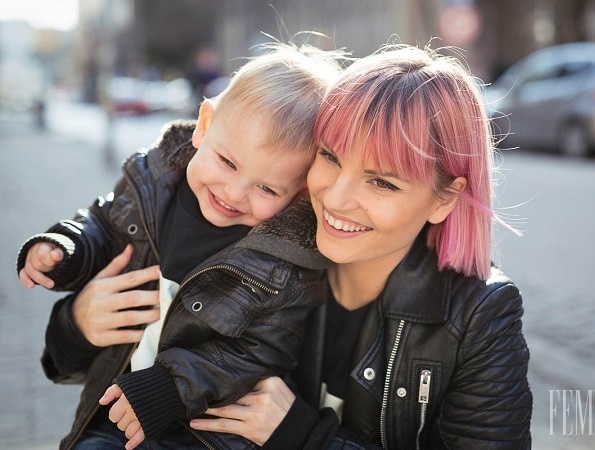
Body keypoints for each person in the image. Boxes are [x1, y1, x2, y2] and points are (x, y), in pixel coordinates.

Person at [189, 43, 533, 448]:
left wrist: (305, 438)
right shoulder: (256, 245)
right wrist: (90, 327)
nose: (335, 199)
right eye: (330, 157)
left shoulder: (479, 319)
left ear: (445, 198)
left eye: (382, 182)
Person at [16, 42, 343, 450]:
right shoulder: (152, 186)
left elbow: (262, 351)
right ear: (204, 126)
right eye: (227, 162)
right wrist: (67, 248)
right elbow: (102, 223)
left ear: (298, 194)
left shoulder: (285, 263)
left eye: (266, 188)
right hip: (110, 417)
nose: (235, 193)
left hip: (201, 434)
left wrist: (172, 385)